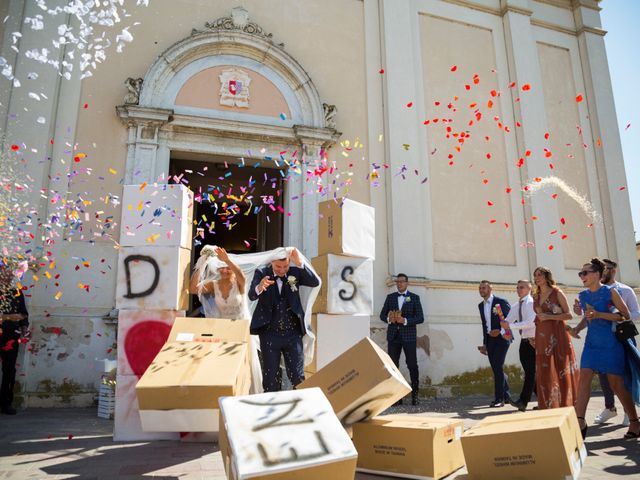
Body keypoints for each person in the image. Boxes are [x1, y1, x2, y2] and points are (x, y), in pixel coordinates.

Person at [573, 258, 639, 439]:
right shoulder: (584, 295)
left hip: (611, 343)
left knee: (616, 384)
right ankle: (580, 421)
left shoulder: (611, 292)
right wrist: (577, 328)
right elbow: (588, 317)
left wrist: (600, 314)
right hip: (591, 343)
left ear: (596, 274)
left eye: (585, 272)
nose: (582, 276)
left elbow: (625, 315)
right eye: (581, 273)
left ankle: (634, 421)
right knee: (584, 376)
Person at [248, 247, 320, 392]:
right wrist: (259, 287)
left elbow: (315, 282)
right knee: (270, 377)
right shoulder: (262, 273)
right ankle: (272, 408)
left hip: (292, 333)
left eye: (285, 266)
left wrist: (299, 263)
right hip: (269, 333)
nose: (282, 270)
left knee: (297, 375)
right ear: (271, 263)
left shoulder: (295, 272)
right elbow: (251, 295)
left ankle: (299, 408)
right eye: (278, 267)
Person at [532, 266, 579, 410]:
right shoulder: (535, 295)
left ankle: (566, 404)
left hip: (557, 334)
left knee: (560, 368)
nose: (537, 278)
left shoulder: (557, 292)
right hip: (541, 334)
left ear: (547, 276)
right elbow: (538, 316)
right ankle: (547, 405)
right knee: (544, 370)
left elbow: (569, 315)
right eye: (535, 275)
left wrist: (549, 316)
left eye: (539, 275)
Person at [379, 273, 425, 405]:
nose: (399, 284)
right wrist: (389, 319)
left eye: (401, 282)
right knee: (393, 366)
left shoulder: (414, 298)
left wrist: (405, 320)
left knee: (412, 365)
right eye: (397, 282)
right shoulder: (390, 297)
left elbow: (420, 317)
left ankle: (415, 395)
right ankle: (397, 397)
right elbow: (382, 315)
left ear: (407, 283)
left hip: (409, 336)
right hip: (393, 336)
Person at [501, 280, 536, 412]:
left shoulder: (531, 303)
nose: (519, 289)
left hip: (534, 341)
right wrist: (505, 332)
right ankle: (544, 399)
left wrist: (509, 327)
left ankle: (523, 401)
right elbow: (507, 321)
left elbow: (530, 323)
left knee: (530, 372)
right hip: (525, 341)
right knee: (530, 372)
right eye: (517, 287)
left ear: (529, 289)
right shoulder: (517, 305)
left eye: (522, 287)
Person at [189, 245, 249, 320]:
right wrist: (203, 264)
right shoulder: (214, 285)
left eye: (228, 268)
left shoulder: (239, 283)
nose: (224, 271)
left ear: (233, 270)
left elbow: (241, 275)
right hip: (222, 325)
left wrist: (227, 260)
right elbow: (193, 289)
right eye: (222, 268)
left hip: (241, 323)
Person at [477, 280, 512, 407]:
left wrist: (500, 331)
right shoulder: (480, 305)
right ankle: (506, 395)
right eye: (480, 288)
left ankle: (499, 399)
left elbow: (510, 319)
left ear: (490, 289)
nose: (481, 290)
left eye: (484, 288)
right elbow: (484, 325)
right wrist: (485, 343)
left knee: (497, 366)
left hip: (503, 338)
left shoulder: (500, 302)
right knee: (497, 368)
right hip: (490, 340)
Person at [1, 264, 29, 415]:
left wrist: (24, 328)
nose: (7, 277)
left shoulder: (17, 293)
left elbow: (24, 314)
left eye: (9, 275)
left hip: (11, 335)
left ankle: (6, 403)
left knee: (9, 370)